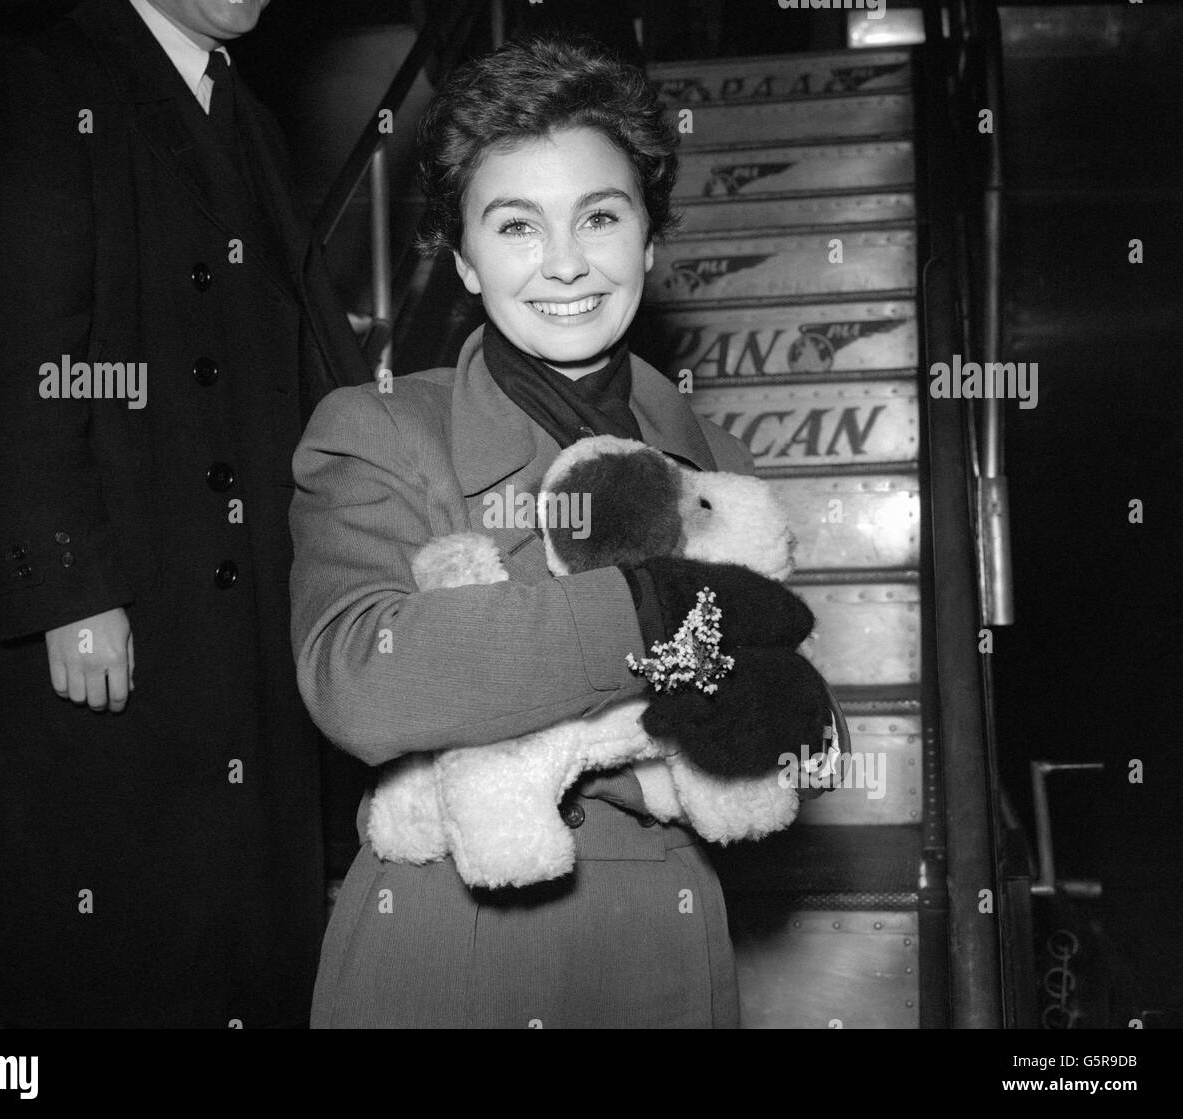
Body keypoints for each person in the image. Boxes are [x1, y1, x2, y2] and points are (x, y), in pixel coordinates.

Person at [290, 35, 831, 1028]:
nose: (568, 263)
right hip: (449, 947)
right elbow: (359, 680)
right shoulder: (378, 430)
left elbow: (788, 729)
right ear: (461, 258)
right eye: (516, 226)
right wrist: (651, 610)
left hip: (664, 950)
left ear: (648, 241)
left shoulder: (713, 457)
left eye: (601, 216)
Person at [0, 0, 366, 1028]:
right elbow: (2, 358)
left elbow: (295, 349)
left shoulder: (235, 103)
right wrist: (69, 585)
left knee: (249, 941)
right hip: (125, 614)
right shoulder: (47, 80)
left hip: (244, 617)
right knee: (131, 948)